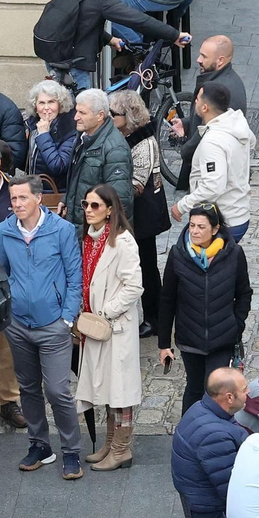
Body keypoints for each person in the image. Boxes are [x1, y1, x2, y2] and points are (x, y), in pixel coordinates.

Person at [0, 176, 83, 477]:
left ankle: (71, 451)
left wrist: (67, 318)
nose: (16, 204)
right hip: (18, 324)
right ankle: (40, 445)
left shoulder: (62, 230)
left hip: (53, 325)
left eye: (22, 198)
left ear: (37, 198)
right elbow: (0, 274)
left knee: (57, 391)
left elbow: (74, 277)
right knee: (29, 388)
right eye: (13, 199)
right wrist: (8, 312)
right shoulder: (5, 231)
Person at [41, 0, 184, 91]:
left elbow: (79, 21)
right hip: (72, 61)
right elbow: (137, 20)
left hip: (52, 50)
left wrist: (109, 39)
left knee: (65, 104)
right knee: (84, 110)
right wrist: (174, 34)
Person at [74, 186, 144, 472]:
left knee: (120, 389)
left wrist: (104, 313)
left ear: (110, 209)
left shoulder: (123, 242)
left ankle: (121, 449)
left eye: (95, 206)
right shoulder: (90, 240)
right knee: (103, 386)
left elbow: (134, 286)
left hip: (114, 327)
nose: (89, 210)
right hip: (95, 327)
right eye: (86, 205)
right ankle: (109, 442)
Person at [158, 205, 253, 412]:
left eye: (201, 226)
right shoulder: (178, 254)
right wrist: (164, 343)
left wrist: (236, 325)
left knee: (214, 390)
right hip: (190, 338)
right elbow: (167, 299)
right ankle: (188, 434)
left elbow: (244, 293)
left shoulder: (234, 254)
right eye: (192, 225)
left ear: (215, 229)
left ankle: (213, 437)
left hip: (221, 339)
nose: (195, 231)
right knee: (193, 388)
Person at [171, 367, 250, 518]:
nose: (249, 392)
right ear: (229, 397)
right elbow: (233, 492)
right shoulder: (214, 435)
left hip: (205, 507)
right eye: (245, 389)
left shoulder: (200, 409)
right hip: (213, 516)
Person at [110, 90, 169, 337]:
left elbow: (138, 183)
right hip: (133, 211)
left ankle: (155, 318)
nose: (110, 117)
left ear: (129, 116)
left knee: (147, 266)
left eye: (115, 114)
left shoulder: (144, 142)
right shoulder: (123, 136)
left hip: (144, 212)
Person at [172, 83, 254, 241]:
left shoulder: (213, 142)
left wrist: (182, 206)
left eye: (197, 99)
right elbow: (251, 141)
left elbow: (212, 186)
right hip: (239, 213)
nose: (195, 101)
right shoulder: (236, 124)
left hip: (224, 220)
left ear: (205, 108)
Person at [172, 36, 248, 190]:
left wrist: (186, 150)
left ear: (220, 60)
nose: (198, 59)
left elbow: (209, 130)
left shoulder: (219, 89)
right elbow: (204, 118)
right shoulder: (221, 81)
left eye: (204, 56)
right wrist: (187, 124)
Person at [64, 89, 134, 225]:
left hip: (98, 231)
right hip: (83, 226)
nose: (75, 117)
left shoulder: (115, 149)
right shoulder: (83, 137)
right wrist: (66, 199)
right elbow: (80, 180)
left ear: (100, 115)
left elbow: (119, 200)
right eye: (77, 111)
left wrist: (104, 237)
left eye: (82, 113)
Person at [24, 80, 77, 190]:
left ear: (60, 105)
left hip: (56, 193)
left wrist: (44, 135)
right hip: (35, 190)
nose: (46, 108)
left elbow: (59, 166)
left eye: (51, 102)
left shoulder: (69, 129)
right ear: (35, 106)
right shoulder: (33, 125)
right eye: (41, 103)